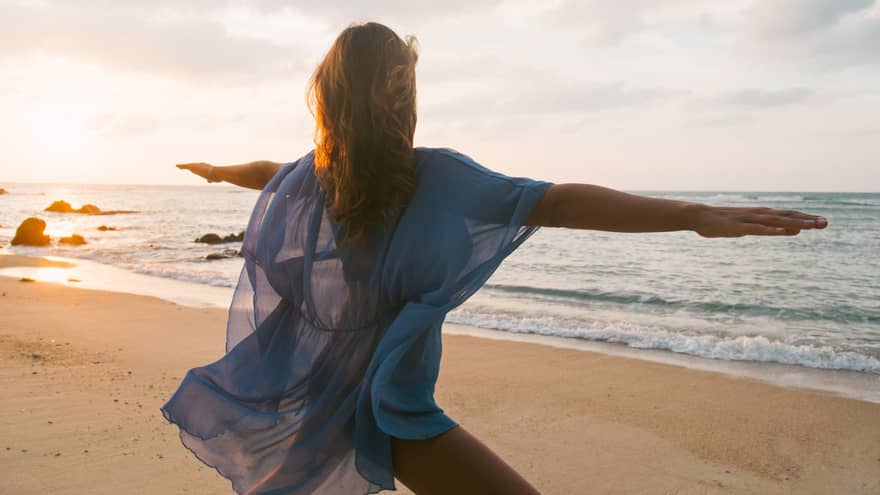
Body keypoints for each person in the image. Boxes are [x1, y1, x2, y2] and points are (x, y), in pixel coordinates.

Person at [166, 22, 827, 495]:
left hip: (316, 401)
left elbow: (267, 171)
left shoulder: (318, 177)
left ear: (330, 97)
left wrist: (220, 171)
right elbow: (557, 201)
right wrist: (691, 216)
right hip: (390, 409)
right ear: (400, 97)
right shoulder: (433, 179)